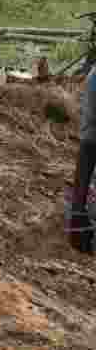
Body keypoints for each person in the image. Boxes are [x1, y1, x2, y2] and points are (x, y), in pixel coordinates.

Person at [67, 65, 96, 253]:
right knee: (85, 192)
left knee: (82, 190)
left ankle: (79, 237)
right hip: (93, 139)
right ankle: (83, 239)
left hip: (89, 140)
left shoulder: (94, 73)